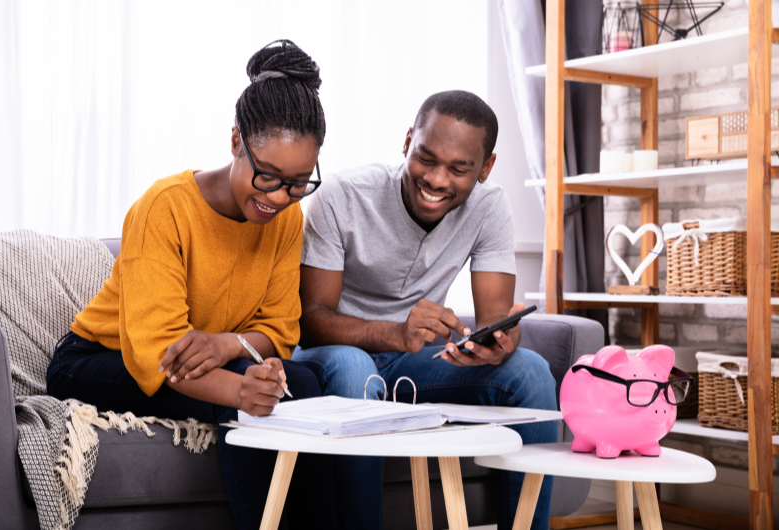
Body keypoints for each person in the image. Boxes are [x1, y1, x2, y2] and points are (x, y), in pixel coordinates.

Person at [46, 40, 336, 530]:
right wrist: (242, 389)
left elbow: (281, 331)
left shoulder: (288, 218)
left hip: (201, 352)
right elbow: (153, 353)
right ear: (235, 141)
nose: (280, 197)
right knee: (251, 400)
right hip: (99, 360)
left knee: (304, 383)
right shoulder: (165, 207)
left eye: (299, 182)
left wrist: (226, 346)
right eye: (267, 177)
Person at [294, 90, 557, 530]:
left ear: (485, 169)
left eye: (459, 169)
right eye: (426, 158)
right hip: (335, 353)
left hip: (413, 362)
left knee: (530, 373)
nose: (436, 180)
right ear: (407, 142)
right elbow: (311, 321)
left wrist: (500, 344)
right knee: (356, 368)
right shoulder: (343, 194)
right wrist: (394, 333)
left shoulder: (490, 208)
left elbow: (494, 322)